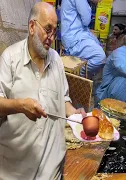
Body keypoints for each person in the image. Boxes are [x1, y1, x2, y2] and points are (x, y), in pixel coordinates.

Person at [0, 2, 86, 179]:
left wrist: (74, 114)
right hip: (15, 168)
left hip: (51, 167)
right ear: (32, 26)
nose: (51, 37)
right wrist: (20, 105)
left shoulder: (56, 60)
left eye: (55, 31)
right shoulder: (10, 58)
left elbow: (63, 99)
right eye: (48, 29)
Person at [61, 0, 106, 78]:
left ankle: (78, 74)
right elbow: (86, 20)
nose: (100, 1)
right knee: (100, 57)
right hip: (74, 38)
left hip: (73, 35)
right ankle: (77, 76)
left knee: (97, 43)